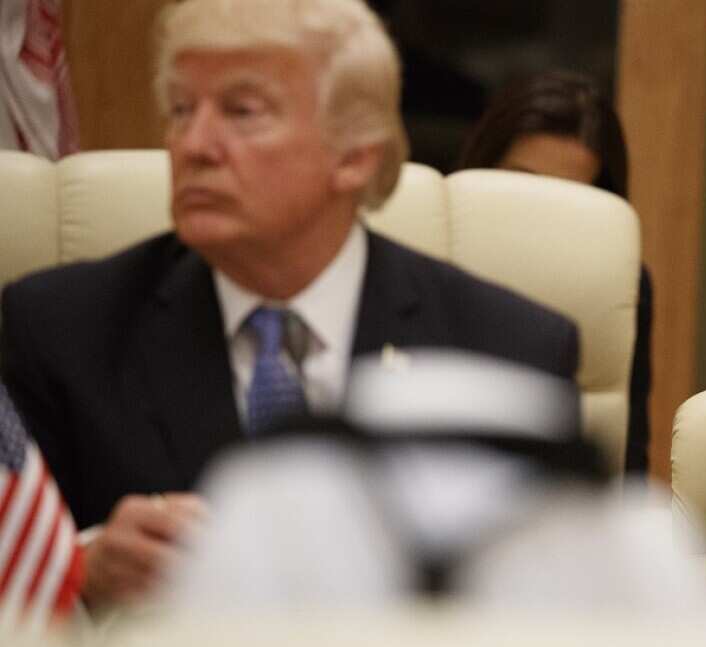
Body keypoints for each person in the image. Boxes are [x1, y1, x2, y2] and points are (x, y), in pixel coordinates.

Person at [0, 0, 578, 611]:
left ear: (355, 155)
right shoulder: (62, 330)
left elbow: (549, 622)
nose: (192, 145)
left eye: (241, 112)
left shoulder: (508, 352)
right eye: (180, 109)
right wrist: (83, 571)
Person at [456, 71, 653, 478]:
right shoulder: (422, 253)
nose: (534, 212)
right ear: (482, 165)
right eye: (519, 184)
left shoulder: (618, 283)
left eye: (561, 200)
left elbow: (625, 468)